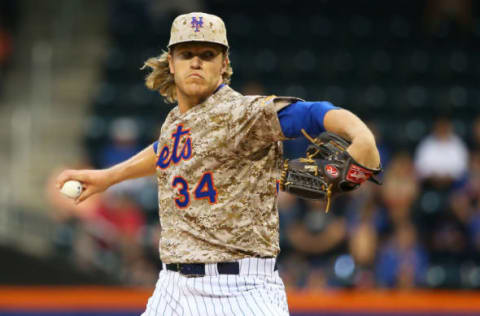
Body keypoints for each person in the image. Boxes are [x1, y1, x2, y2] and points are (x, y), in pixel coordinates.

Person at [57, 12, 380, 316]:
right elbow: (165, 149)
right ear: (171, 63)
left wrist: (359, 134)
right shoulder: (175, 120)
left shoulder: (243, 113)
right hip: (173, 287)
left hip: (242, 289)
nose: (196, 61)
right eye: (186, 54)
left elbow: (311, 112)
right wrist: (109, 177)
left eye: (207, 55)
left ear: (224, 64)